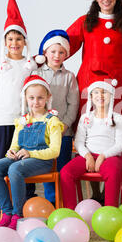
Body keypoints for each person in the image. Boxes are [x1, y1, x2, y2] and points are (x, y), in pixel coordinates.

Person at [66, 0, 122, 201]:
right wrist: (42, 58)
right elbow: (65, 45)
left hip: (118, 90)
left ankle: (113, 185)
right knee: (88, 132)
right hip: (90, 87)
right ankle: (95, 192)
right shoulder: (85, 22)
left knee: (117, 133)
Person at [0, 75, 64, 230]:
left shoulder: (52, 121)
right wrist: (11, 151)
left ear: (48, 98)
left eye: (40, 98)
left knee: (15, 169)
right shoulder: (22, 121)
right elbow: (15, 144)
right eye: (32, 98)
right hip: (21, 158)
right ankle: (6, 212)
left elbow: (55, 151)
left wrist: (31, 153)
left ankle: (17, 214)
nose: (36, 102)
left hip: (42, 161)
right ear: (26, 98)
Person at [0, 0, 38, 218]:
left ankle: (26, 198)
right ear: (5, 42)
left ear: (24, 41)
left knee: (23, 159)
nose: (14, 43)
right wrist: (4, 109)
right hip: (2, 120)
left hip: (25, 122)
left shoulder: (30, 65)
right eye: (10, 39)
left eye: (18, 39)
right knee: (0, 160)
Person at [60, 78, 122, 209]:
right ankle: (70, 210)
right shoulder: (86, 117)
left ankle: (110, 210)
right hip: (87, 156)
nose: (100, 96)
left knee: (112, 173)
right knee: (65, 172)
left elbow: (121, 145)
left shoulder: (117, 118)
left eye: (104, 92)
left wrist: (103, 156)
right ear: (91, 96)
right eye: (96, 92)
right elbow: (79, 142)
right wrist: (88, 156)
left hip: (110, 157)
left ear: (111, 95)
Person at [32, 29, 79, 205]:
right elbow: (32, 100)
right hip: (43, 132)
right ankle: (51, 202)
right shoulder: (37, 73)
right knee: (47, 169)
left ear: (66, 55)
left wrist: (65, 125)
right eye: (53, 52)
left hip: (63, 132)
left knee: (63, 168)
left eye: (61, 52)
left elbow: (73, 104)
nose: (56, 56)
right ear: (45, 53)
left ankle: (65, 202)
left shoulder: (69, 77)